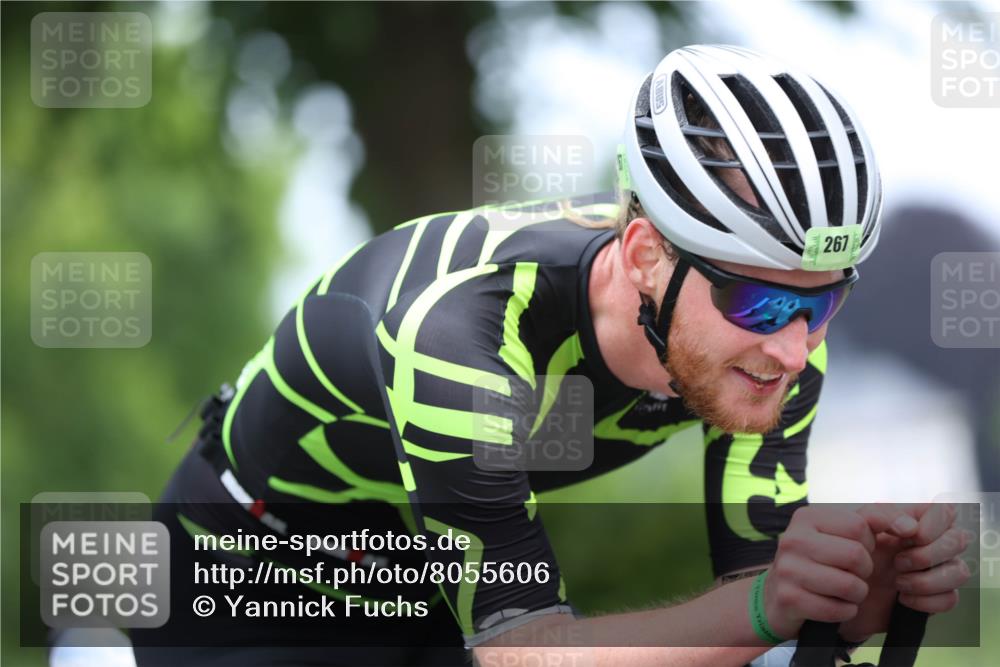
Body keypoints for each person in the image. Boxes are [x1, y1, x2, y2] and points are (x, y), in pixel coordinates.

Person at [130, 45, 970, 667]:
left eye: (824, 301)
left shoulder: (768, 351)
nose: (794, 346)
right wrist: (766, 605)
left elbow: (762, 604)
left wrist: (853, 602)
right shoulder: (463, 336)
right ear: (644, 255)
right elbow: (527, 652)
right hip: (244, 579)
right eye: (759, 300)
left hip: (410, 575)